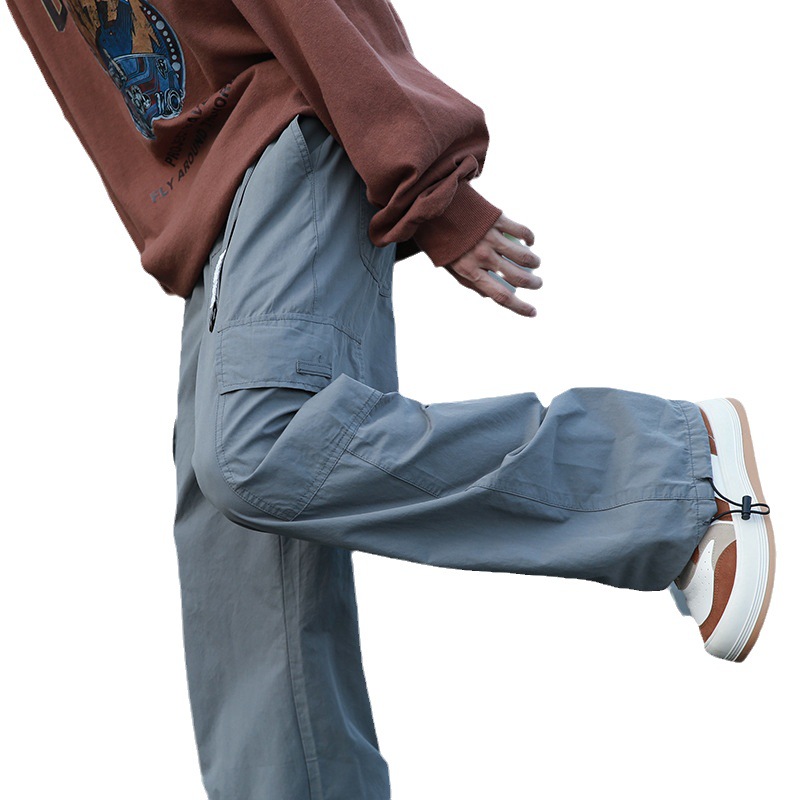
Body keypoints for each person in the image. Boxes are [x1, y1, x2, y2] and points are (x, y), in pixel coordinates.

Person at [6, 1, 775, 799]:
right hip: (211, 218)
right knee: (238, 576)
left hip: (283, 129)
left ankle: (672, 480)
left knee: (258, 445)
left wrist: (422, 180)